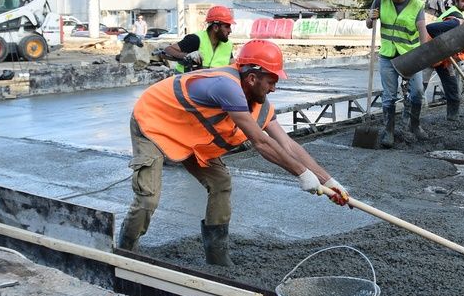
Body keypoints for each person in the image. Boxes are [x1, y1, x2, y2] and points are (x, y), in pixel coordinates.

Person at [118, 40, 350, 262]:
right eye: (271, 81)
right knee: (148, 198)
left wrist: (328, 181)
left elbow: (288, 144)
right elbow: (261, 142)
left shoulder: (259, 103)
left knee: (221, 183)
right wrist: (301, 174)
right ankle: (126, 252)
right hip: (153, 122)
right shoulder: (225, 86)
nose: (274, 88)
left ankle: (217, 256)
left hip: (188, 135)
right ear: (251, 77)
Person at [367, 0, 430, 147]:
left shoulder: (417, 4)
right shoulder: (380, 0)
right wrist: (370, 18)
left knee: (417, 92)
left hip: (411, 55)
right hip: (388, 55)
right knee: (389, 96)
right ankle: (389, 131)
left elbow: (422, 31)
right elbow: (369, 25)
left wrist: (424, 55)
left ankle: (415, 125)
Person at [426, 0, 464, 121]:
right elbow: (430, 28)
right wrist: (441, 46)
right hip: (428, 54)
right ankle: (411, 118)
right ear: (456, 0)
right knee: (419, 89)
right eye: (463, 1)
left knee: (453, 90)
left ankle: (453, 118)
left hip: (444, 61)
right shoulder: (456, 20)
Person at [163, 5, 235, 72]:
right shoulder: (195, 39)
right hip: (184, 82)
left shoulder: (227, 45)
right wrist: (187, 56)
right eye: (227, 26)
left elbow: (233, 67)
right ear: (215, 27)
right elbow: (167, 50)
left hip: (211, 84)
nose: (230, 31)